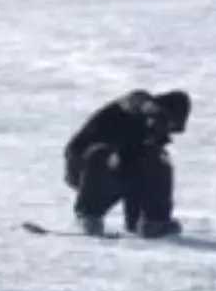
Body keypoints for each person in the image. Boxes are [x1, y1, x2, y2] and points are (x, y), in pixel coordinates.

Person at [64, 89, 191, 238]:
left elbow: (143, 172)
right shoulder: (130, 108)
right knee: (104, 155)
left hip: (118, 171)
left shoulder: (153, 132)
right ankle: (88, 215)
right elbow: (132, 101)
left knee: (157, 159)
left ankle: (151, 221)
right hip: (84, 168)